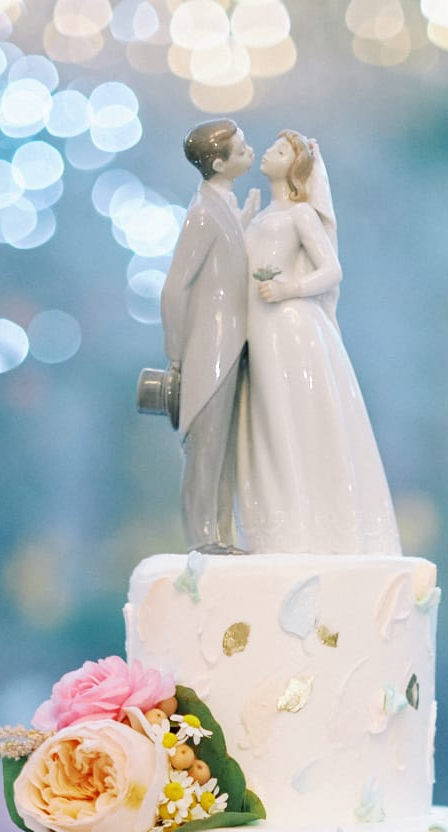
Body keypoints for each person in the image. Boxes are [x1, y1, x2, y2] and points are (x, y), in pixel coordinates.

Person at [235, 131, 400, 557]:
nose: (271, 149)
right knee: (268, 419)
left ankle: (311, 527)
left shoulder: (300, 216)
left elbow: (331, 270)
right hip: (262, 330)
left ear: (295, 168)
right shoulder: (259, 216)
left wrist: (291, 288)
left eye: (283, 149)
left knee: (295, 417)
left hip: (292, 328)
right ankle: (278, 525)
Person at [159, 119, 258, 552]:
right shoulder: (202, 214)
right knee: (206, 450)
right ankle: (203, 538)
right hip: (209, 348)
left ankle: (223, 533)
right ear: (219, 163)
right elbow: (175, 287)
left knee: (226, 451)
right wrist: (177, 355)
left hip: (232, 343)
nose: (249, 152)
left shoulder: (222, 206)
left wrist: (243, 222)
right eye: (241, 150)